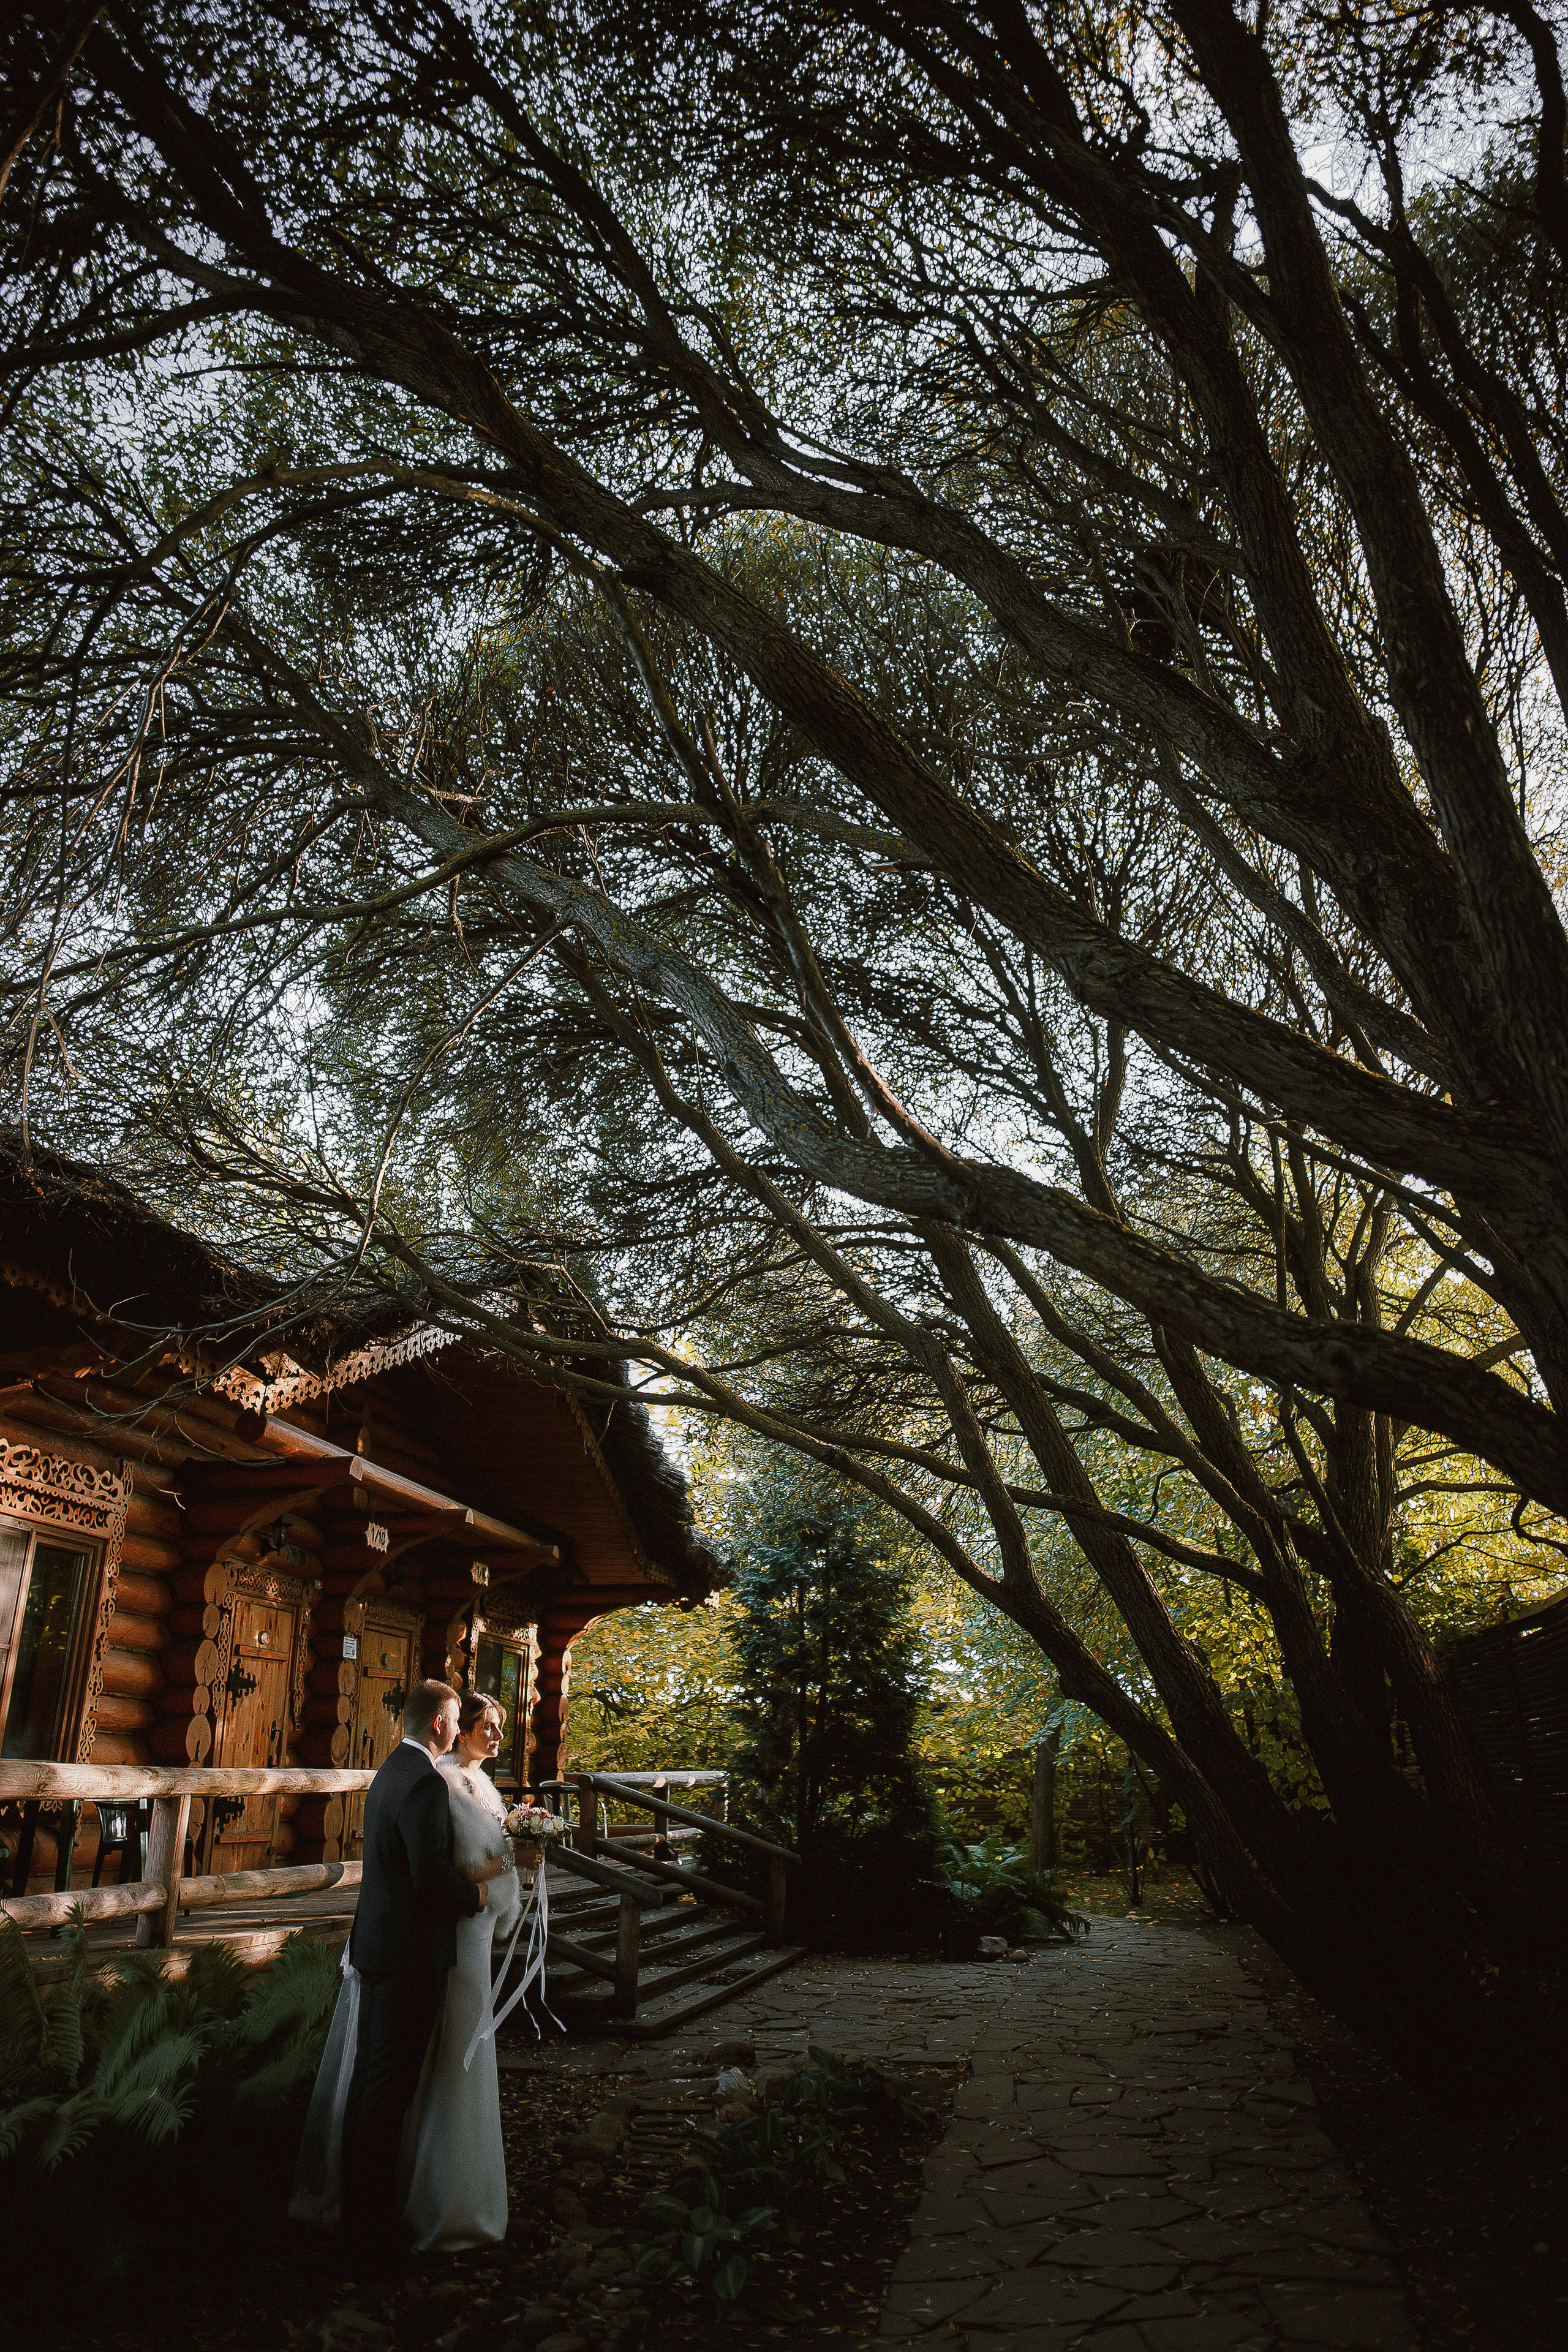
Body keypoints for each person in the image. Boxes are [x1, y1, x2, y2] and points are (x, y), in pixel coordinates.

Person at [290, 1678, 490, 2273]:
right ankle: (369, 2241)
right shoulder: (425, 1782)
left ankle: (358, 2224)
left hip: (375, 1950)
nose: (457, 1729)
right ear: (438, 1723)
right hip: (408, 1958)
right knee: (387, 2098)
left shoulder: (387, 1772)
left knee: (369, 2093)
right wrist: (476, 1896)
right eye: (455, 1719)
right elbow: (429, 1879)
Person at [402, 1691, 521, 2250]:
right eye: (487, 1727)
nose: (496, 1737)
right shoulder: (445, 1784)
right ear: (459, 1729)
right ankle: (443, 2198)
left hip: (478, 1932)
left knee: (473, 2046)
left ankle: (464, 2187)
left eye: (499, 1727)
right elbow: (457, 1867)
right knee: (458, 2050)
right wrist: (515, 1859)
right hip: (456, 1936)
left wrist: (524, 1857)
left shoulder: (486, 1787)